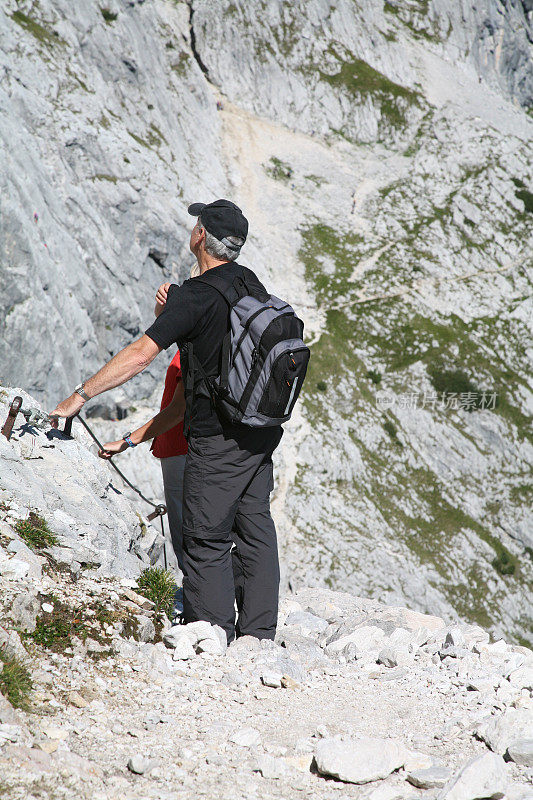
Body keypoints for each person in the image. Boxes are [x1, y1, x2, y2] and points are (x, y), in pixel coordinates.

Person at [50, 199, 283, 643]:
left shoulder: (196, 296)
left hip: (217, 439)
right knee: (255, 531)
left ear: (201, 236)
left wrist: (80, 395)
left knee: (205, 537)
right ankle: (258, 640)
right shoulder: (249, 283)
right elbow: (203, 365)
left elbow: (140, 356)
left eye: (197, 224)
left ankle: (210, 638)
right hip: (259, 431)